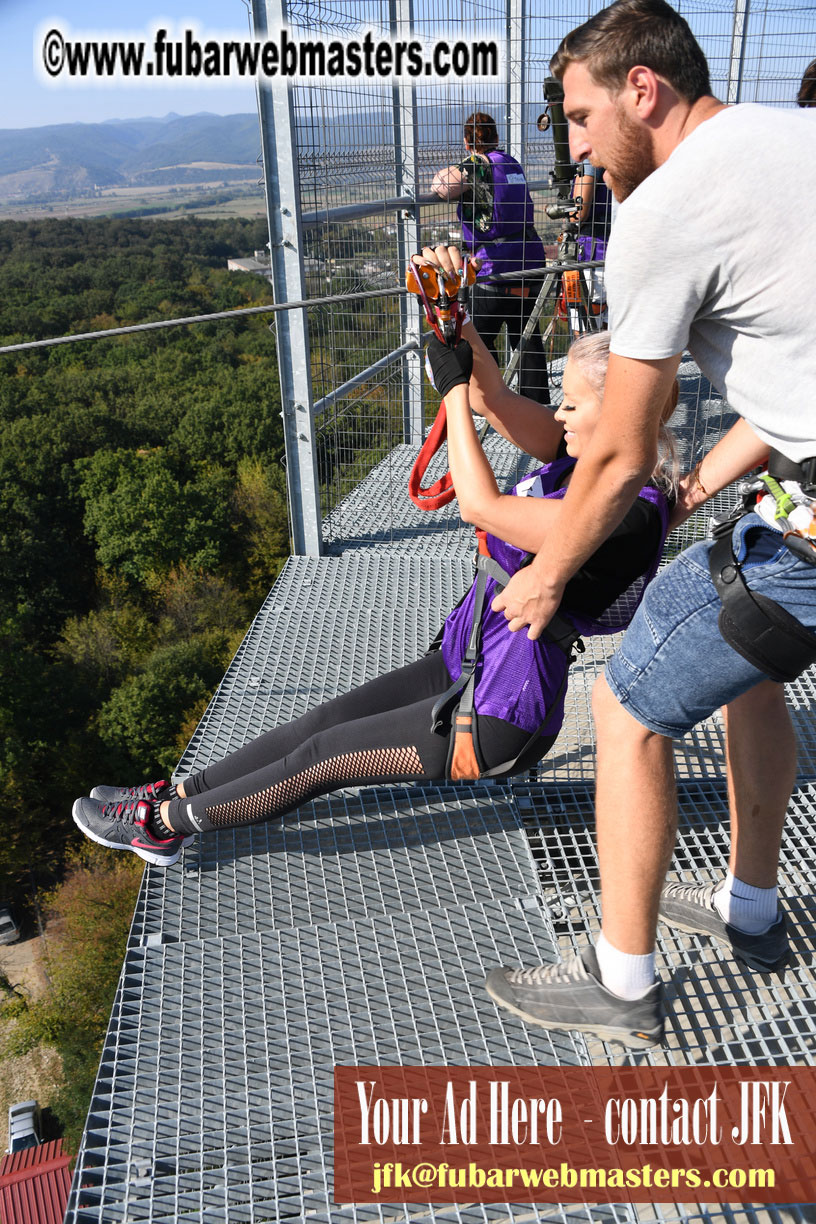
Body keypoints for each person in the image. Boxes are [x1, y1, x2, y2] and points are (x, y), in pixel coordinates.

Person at [484, 0, 816, 1049]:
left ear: (643, 89)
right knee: (747, 665)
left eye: (581, 116)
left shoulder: (666, 212)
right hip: (792, 498)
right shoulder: (792, 141)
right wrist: (701, 488)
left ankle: (624, 985)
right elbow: (791, 376)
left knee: (627, 706)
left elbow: (620, 448)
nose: (575, 148)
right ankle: (749, 908)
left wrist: (545, 580)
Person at [71, 293, 676, 868]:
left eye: (571, 403)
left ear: (624, 411)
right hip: (469, 658)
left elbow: (482, 506)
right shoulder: (580, 457)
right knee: (322, 723)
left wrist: (451, 393)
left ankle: (164, 827)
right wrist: (451, 316)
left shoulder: (625, 514)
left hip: (501, 715)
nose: (559, 413)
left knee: (321, 759)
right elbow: (493, 398)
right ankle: (169, 792)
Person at [432, 112, 551, 404]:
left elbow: (442, 187)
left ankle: (487, 404)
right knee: (527, 340)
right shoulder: (511, 163)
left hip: (493, 268)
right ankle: (537, 410)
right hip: (529, 263)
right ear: (496, 138)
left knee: (477, 343)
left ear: (466, 142)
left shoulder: (476, 164)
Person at [565, 159, 613, 333]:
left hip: (593, 253)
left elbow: (578, 213)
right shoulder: (628, 149)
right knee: (613, 336)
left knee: (586, 336)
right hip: (624, 249)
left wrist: (565, 208)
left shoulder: (591, 160)